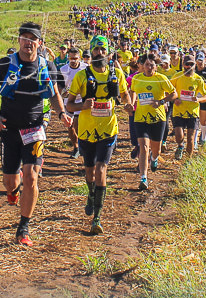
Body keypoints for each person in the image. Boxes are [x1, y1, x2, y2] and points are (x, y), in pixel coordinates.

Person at [0, 22, 67, 246]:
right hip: (9, 129)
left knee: (31, 177)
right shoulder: (4, 65)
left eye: (33, 39)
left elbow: (54, 95)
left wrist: (61, 114)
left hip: (34, 128)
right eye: (24, 37)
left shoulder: (47, 66)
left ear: (39, 44)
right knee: (10, 181)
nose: (28, 42)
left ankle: (24, 228)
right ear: (19, 41)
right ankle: (13, 191)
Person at [66, 36, 131, 234]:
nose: (100, 53)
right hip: (86, 130)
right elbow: (69, 104)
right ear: (91, 51)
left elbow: (125, 93)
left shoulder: (116, 74)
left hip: (108, 129)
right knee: (89, 171)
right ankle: (91, 193)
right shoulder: (81, 76)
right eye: (96, 50)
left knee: (101, 169)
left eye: (103, 50)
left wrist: (127, 103)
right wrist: (82, 106)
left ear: (109, 52)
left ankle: (97, 217)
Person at [128, 54, 176, 190]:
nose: (149, 68)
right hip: (140, 118)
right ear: (143, 66)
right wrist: (131, 104)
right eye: (147, 65)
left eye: (152, 65)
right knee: (143, 147)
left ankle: (154, 159)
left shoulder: (161, 78)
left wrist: (161, 102)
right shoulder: (137, 78)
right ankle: (143, 177)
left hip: (158, 118)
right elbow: (133, 92)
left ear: (156, 66)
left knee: (156, 149)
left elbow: (174, 93)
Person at [57, 47, 87, 158]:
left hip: (81, 100)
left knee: (77, 124)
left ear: (79, 58)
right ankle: (76, 147)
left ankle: (82, 146)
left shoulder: (86, 68)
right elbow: (59, 85)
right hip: (68, 100)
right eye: (71, 58)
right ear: (68, 58)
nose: (73, 61)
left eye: (75, 58)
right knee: (70, 126)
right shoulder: (63, 69)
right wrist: (62, 93)